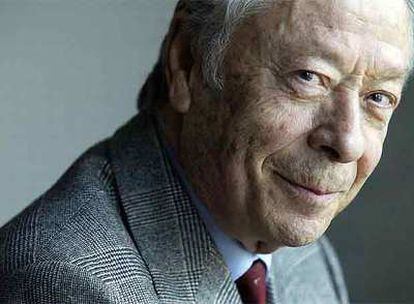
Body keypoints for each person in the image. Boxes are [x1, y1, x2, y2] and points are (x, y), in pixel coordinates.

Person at [1, 0, 412, 303]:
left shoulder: (299, 254)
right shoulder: (61, 280)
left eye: (378, 97)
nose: (347, 142)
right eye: (308, 77)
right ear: (187, 63)